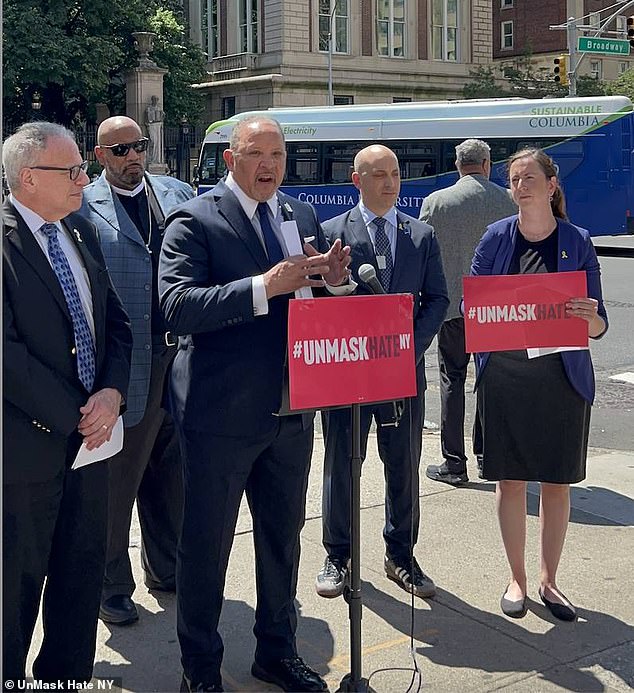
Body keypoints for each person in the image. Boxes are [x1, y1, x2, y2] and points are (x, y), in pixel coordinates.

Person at [158, 115, 352, 692]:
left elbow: (312, 295)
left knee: (281, 539)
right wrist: (264, 287)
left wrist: (332, 281)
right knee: (207, 544)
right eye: (256, 154)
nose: (269, 165)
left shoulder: (299, 214)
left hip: (291, 409)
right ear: (230, 160)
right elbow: (176, 306)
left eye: (278, 154)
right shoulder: (193, 221)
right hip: (220, 414)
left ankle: (276, 650)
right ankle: (199, 664)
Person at [2, 122, 132, 683]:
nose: (85, 178)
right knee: (14, 595)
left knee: (79, 582)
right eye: (72, 170)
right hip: (26, 453)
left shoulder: (79, 231)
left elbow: (118, 325)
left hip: (91, 448)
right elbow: (7, 356)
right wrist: (77, 417)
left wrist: (113, 392)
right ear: (29, 178)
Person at [470, 148, 608, 620]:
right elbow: (475, 306)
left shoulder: (578, 240)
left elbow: (599, 324)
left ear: (551, 186)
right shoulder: (495, 238)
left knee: (557, 483)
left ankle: (550, 581)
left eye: (530, 177)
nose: (521, 185)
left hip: (560, 379)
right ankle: (517, 579)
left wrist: (590, 318)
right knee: (510, 482)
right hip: (506, 378)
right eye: (513, 179)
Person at [315, 144, 448, 601]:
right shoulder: (331, 232)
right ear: (356, 180)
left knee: (404, 466)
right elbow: (315, 305)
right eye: (378, 174)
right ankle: (339, 554)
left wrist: (410, 350)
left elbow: (438, 300)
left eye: (394, 173)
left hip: (403, 375)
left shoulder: (421, 235)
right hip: (348, 378)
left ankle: (401, 555)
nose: (390, 183)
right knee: (340, 464)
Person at [82, 115, 194, 626]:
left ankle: (165, 568)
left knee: (171, 473)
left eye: (140, 146)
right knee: (116, 482)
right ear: (100, 155)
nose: (133, 157)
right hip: (125, 363)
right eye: (121, 149)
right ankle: (110, 584)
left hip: (180, 359)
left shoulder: (176, 192)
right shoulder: (83, 205)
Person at [420, 139, 517, 485]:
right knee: (491, 381)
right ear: (488, 164)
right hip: (496, 307)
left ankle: (453, 462)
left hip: (450, 306)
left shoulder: (436, 202)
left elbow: (423, 253)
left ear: (458, 165)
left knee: (452, 379)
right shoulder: (508, 201)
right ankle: (487, 455)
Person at [145, 96, 165, 165]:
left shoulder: (159, 108)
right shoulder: (149, 108)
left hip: (157, 125)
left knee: (157, 143)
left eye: (156, 100)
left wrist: (162, 117)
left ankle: (156, 159)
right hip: (152, 125)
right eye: (154, 100)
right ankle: (151, 159)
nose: (155, 101)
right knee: (153, 141)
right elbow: (147, 117)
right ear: (152, 100)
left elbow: (162, 116)